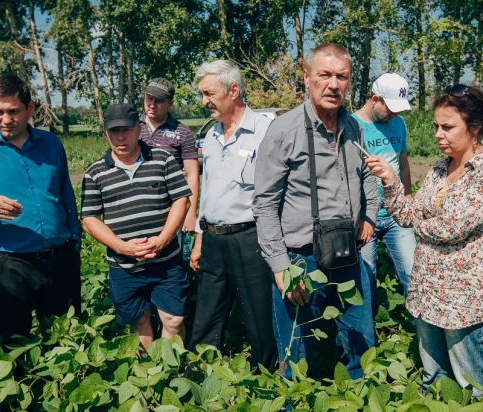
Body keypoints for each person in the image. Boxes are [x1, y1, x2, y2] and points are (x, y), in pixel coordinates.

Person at [365, 85, 483, 395]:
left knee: (472, 384)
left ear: (474, 128)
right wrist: (391, 182)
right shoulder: (438, 169)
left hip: (467, 298)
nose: (437, 133)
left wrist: (423, 224)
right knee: (434, 378)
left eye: (447, 126)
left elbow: (452, 228)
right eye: (436, 125)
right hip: (428, 292)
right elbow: (407, 216)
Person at [252, 43, 378, 379]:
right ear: (307, 78)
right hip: (300, 261)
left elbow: (367, 176)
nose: (333, 85)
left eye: (342, 77)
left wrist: (369, 217)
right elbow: (264, 203)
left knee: (362, 346)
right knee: (297, 354)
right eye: (325, 75)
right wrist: (280, 267)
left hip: (348, 255)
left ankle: (361, 400)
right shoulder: (284, 130)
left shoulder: (353, 128)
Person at [0, 74, 81, 345]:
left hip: (60, 261)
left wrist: (74, 241)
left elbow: (65, 194)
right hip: (7, 264)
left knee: (65, 341)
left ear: (30, 108)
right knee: (12, 345)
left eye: (13, 111)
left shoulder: (51, 144)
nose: (5, 119)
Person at [187, 60, 277, 371]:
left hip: (249, 238)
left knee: (258, 315)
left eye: (209, 94)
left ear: (234, 91)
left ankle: (264, 377)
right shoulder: (211, 135)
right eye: (202, 94)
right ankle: (198, 375)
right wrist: (200, 239)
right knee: (206, 314)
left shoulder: (267, 131)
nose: (204, 102)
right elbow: (208, 191)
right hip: (213, 239)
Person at [81, 103, 192, 351]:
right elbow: (89, 220)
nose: (121, 136)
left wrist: (162, 239)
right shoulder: (95, 172)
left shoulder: (163, 159)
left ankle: (172, 371)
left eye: (127, 130)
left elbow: (181, 200)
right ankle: (148, 376)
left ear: (139, 129)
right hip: (125, 267)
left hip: (166, 262)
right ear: (105, 132)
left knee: (173, 319)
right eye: (114, 131)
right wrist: (123, 247)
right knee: (139, 321)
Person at [352, 73, 416, 297]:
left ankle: (423, 329)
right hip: (365, 218)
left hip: (396, 215)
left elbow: (404, 164)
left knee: (414, 275)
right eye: (390, 108)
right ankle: (368, 330)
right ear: (375, 98)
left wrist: (407, 198)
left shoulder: (398, 123)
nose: (394, 114)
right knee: (365, 281)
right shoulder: (352, 126)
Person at [139, 78, 199, 233]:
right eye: (149, 99)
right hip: (138, 208)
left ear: (170, 104)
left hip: (172, 210)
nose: (152, 105)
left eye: (158, 101)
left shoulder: (183, 133)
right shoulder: (132, 127)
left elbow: (192, 175)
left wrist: (190, 213)